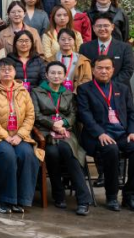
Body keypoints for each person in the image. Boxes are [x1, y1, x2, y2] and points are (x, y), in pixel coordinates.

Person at [77, 55, 134, 213]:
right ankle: (112, 196)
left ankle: (130, 196)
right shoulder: (84, 89)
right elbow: (84, 115)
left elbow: (132, 113)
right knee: (111, 149)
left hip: (121, 134)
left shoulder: (122, 88)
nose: (104, 71)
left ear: (113, 70)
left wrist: (133, 132)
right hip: (97, 136)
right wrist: (100, 133)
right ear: (93, 70)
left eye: (107, 68)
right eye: (100, 68)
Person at [0, 58, 43, 213]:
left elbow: (30, 116)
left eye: (10, 69)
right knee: (8, 155)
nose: (7, 72)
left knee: (28, 154)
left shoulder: (23, 91)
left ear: (15, 72)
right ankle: (5, 200)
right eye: (3, 69)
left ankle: (21, 200)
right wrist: (5, 136)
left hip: (20, 136)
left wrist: (20, 135)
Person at [31, 61, 93, 215]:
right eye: (52, 73)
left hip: (65, 132)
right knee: (52, 153)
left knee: (69, 151)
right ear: (46, 75)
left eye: (59, 73)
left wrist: (63, 123)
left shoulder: (68, 94)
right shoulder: (36, 92)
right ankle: (58, 194)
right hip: (45, 133)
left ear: (65, 76)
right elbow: (35, 114)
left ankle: (83, 200)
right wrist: (53, 124)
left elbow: (73, 114)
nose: (56, 76)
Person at [79, 15, 134, 86]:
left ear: (112, 27)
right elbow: (82, 70)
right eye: (99, 26)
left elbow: (128, 70)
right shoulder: (84, 47)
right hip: (91, 89)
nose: (102, 29)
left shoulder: (125, 47)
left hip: (118, 88)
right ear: (93, 28)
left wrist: (109, 86)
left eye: (106, 25)